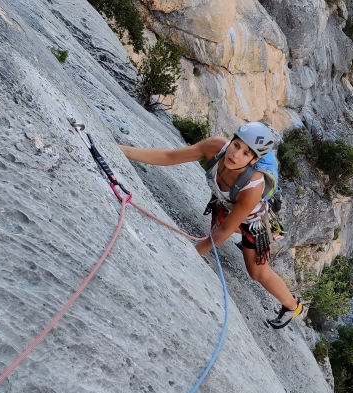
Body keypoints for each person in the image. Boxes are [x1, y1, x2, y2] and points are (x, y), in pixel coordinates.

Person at [119, 122, 305, 328]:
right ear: (231, 140)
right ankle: (246, 243)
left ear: (255, 160)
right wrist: (122, 150)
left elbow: (224, 231)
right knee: (223, 227)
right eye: (236, 145)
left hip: (253, 222)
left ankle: (293, 306)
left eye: (246, 153)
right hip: (227, 208)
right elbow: (169, 157)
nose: (236, 155)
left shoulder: (252, 185)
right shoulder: (215, 147)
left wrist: (192, 253)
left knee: (257, 272)